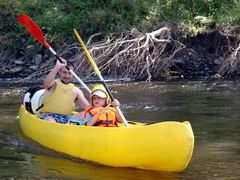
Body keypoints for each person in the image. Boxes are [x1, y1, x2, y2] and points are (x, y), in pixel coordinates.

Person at [39, 59, 90, 123]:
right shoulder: (53, 84)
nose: (67, 76)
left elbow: (88, 108)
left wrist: (101, 107)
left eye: (69, 73)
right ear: (59, 72)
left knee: (86, 115)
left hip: (67, 118)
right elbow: (46, 84)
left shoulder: (76, 90)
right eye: (64, 72)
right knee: (50, 121)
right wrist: (57, 67)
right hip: (50, 116)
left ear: (73, 74)